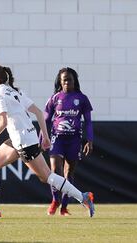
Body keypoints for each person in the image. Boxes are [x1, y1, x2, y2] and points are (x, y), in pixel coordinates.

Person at [0, 64, 95, 224]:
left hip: (23, 141)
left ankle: (83, 197)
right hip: (22, 138)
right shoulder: (14, 91)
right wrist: (45, 136)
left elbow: (2, 121)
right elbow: (38, 112)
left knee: (47, 177)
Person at [44, 67, 93, 216]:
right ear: (60, 81)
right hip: (57, 138)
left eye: (69, 79)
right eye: (64, 80)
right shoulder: (54, 98)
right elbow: (45, 119)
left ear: (74, 81)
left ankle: (64, 207)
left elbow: (89, 122)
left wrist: (89, 140)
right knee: (54, 171)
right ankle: (55, 200)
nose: (67, 82)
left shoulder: (82, 98)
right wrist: (42, 138)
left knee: (68, 173)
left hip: (74, 140)